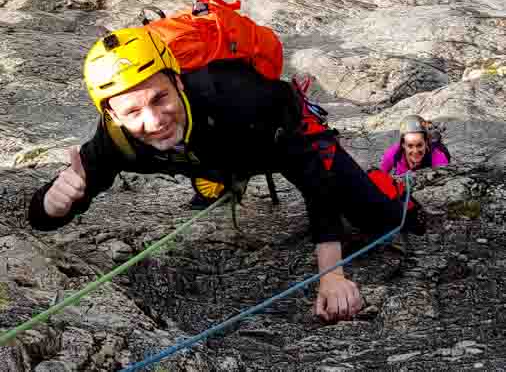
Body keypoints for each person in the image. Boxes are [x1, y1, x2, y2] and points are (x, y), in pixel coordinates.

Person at [28, 28, 426, 323]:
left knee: (385, 220)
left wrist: (332, 277)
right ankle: (219, 177)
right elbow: (40, 220)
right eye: (132, 112)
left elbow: (314, 182)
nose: (153, 120)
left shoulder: (239, 99)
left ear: (178, 82)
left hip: (275, 135)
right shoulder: (116, 141)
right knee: (209, 163)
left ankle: (383, 183)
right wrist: (55, 201)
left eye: (160, 97)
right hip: (215, 152)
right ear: (111, 115)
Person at [380, 114, 450, 176]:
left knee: (435, 139)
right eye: (410, 146)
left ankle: (436, 133)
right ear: (403, 145)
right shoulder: (393, 154)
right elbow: (381, 176)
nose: (415, 151)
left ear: (426, 143)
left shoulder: (439, 159)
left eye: (419, 145)